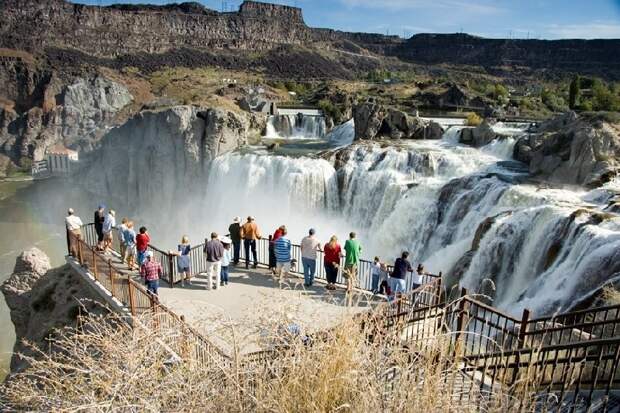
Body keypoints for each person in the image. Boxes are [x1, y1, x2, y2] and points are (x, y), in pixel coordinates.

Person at [343, 232, 362, 297]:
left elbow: (345, 248)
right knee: (353, 276)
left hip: (348, 261)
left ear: (350, 236)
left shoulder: (347, 241)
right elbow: (361, 250)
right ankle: (352, 289)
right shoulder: (358, 242)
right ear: (355, 236)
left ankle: (348, 289)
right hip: (355, 262)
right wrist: (357, 253)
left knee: (348, 276)